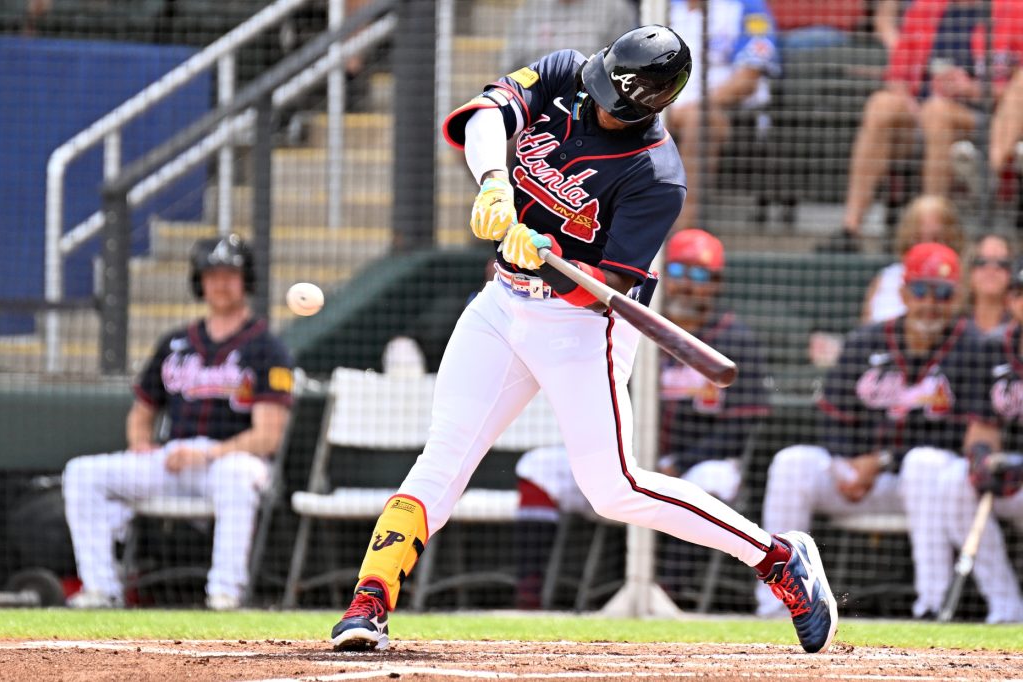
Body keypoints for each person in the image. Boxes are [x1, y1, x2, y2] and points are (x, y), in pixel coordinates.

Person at [329, 25, 837, 655]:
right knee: (445, 455)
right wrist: (493, 180)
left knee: (614, 488)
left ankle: (778, 558)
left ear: (647, 104)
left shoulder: (657, 175)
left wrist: (544, 257)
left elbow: (605, 287)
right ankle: (369, 601)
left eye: (609, 99)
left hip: (582, 327)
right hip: (501, 305)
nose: (593, 102)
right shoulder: (569, 71)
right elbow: (484, 114)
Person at [512, 229, 771, 608]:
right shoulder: (632, 326)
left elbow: (743, 425)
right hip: (623, 456)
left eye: (699, 275)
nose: (685, 284)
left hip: (698, 462)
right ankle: (528, 599)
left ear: (716, 285)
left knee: (710, 480)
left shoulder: (734, 338)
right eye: (678, 271)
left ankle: (668, 591)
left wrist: (678, 463)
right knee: (537, 466)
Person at [62, 235, 295, 611]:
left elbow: (268, 437)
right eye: (212, 274)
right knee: (82, 473)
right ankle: (100, 588)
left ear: (246, 279)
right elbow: (142, 411)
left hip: (233, 461)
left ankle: (225, 592)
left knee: (235, 475)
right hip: (175, 458)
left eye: (230, 274)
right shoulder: (175, 342)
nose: (220, 283)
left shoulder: (267, 347)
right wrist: (141, 444)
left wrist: (208, 454)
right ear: (199, 281)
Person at [756, 243, 980, 619]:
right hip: (857, 480)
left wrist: (881, 460)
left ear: (956, 297)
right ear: (905, 292)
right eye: (921, 290)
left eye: (942, 293)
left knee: (924, 464)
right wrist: (846, 465)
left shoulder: (971, 346)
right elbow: (830, 416)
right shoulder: (866, 341)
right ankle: (776, 605)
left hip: (921, 488)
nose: (931, 302)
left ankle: (933, 606)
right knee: (790, 462)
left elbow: (962, 434)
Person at [821, 0, 1023, 253]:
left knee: (936, 112)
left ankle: (932, 231)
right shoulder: (925, 7)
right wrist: (911, 104)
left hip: (985, 121)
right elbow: (897, 76)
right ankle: (850, 229)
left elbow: (1018, 87)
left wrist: (972, 89)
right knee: (881, 104)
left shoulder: (1012, 9)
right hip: (923, 112)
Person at [940, 259, 1023, 623]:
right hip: (1014, 477)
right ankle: (1006, 607)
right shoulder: (993, 348)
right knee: (955, 482)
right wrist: (982, 456)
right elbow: (982, 426)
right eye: (1019, 293)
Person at [667, 0, 781, 230]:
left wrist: (691, 105)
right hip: (663, 106)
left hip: (727, 111)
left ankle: (679, 233)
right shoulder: (665, 7)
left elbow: (748, 78)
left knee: (699, 120)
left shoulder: (748, 7)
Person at [860, 194, 965, 324]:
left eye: (936, 239)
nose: (927, 247)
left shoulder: (964, 281)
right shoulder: (886, 278)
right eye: (919, 239)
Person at [500, 0, 638, 75]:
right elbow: (509, 68)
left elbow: (624, 66)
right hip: (536, 99)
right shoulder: (529, 10)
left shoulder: (615, 8)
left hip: (591, 101)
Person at [962, 232, 1013, 337]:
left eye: (1002, 263)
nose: (992, 269)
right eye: (982, 262)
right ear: (970, 271)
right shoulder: (953, 326)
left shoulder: (1018, 327)